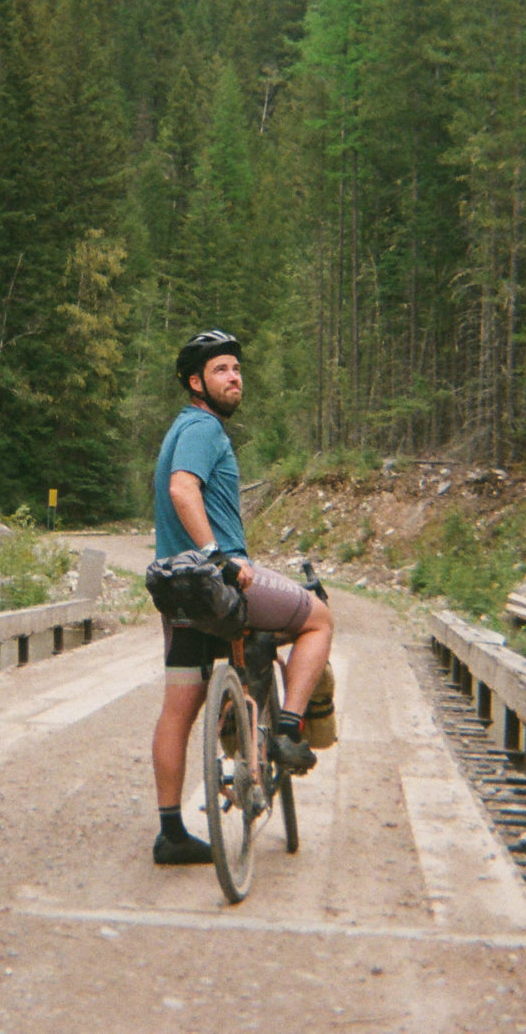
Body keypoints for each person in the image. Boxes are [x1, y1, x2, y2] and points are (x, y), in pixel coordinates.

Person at [149, 329, 335, 866]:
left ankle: (171, 833)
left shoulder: (180, 428)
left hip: (177, 588)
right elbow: (183, 489)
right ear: (195, 382)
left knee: (178, 709)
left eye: (237, 369)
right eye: (222, 370)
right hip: (220, 581)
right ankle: (287, 728)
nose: (235, 379)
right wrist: (220, 557)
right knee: (317, 619)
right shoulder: (204, 428)